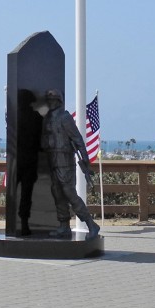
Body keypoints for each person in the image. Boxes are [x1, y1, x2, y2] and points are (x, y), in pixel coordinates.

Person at [36, 89, 100, 239]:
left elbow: (78, 140)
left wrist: (86, 161)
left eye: (53, 100)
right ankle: (64, 226)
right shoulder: (48, 118)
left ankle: (91, 224)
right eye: (49, 100)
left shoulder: (65, 117)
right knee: (57, 194)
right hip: (53, 160)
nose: (50, 103)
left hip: (65, 162)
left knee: (69, 194)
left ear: (58, 101)